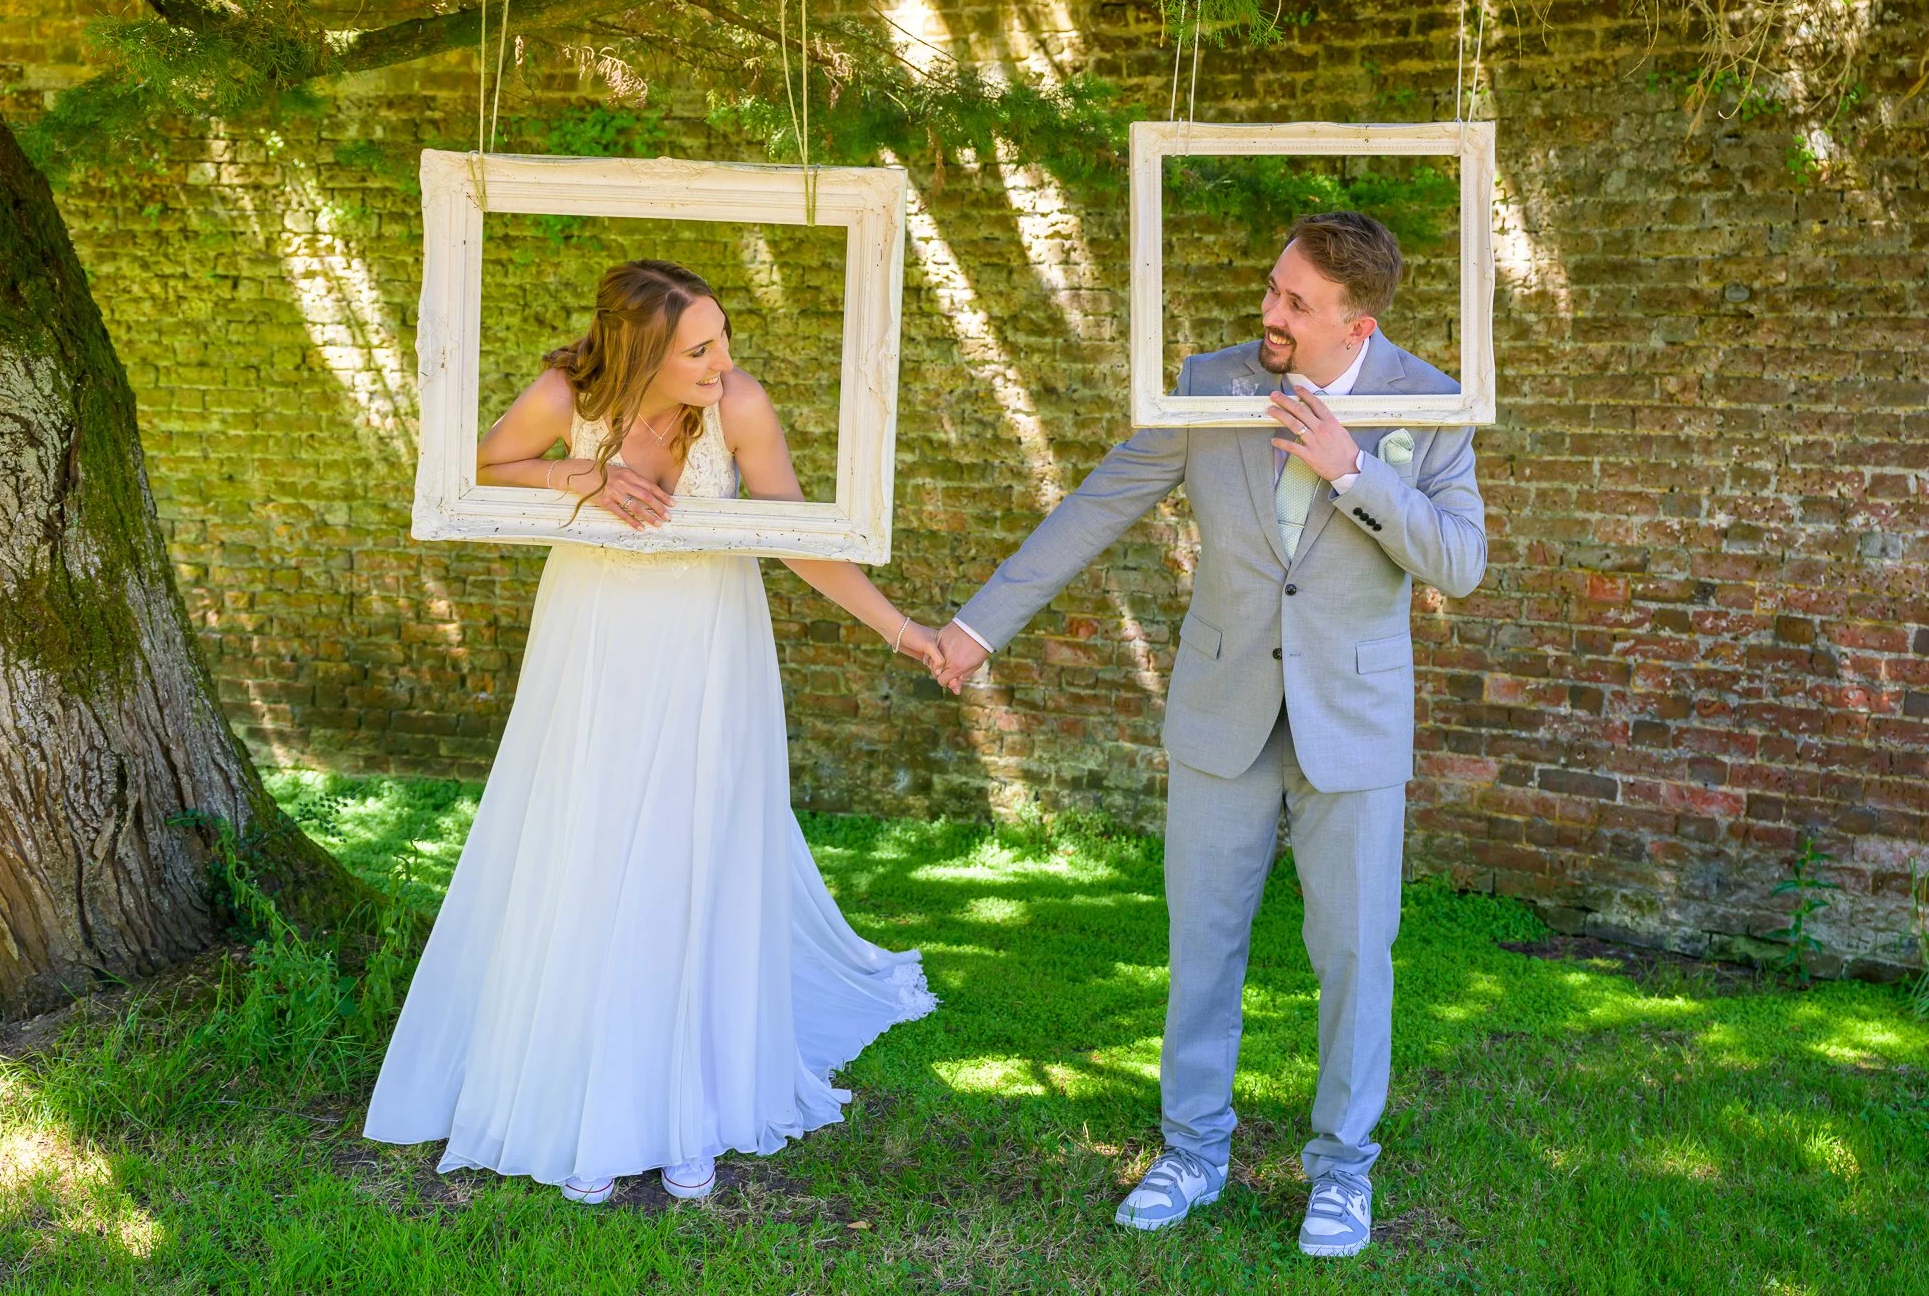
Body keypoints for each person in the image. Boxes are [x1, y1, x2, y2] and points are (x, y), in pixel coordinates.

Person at [930, 213, 1487, 1257]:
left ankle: (1341, 1173)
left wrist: (1351, 473)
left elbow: (1458, 562)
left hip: (1353, 722)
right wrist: (974, 630)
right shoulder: (1209, 381)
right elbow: (1094, 509)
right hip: (1221, 710)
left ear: (1354, 322)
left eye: (1294, 304)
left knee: (1354, 954)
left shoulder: (1431, 398)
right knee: (1201, 945)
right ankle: (1190, 1150)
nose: (1267, 313)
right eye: (1270, 288)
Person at [365, 259, 941, 1204]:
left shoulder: (738, 408)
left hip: (712, 646)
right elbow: (474, 465)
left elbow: (795, 532)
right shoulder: (567, 394)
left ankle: (688, 1104)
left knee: (692, 853)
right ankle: (587, 1095)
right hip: (594, 646)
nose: (724, 361)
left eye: (724, 338)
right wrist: (581, 475)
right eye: (699, 347)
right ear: (640, 350)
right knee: (587, 848)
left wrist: (906, 632)